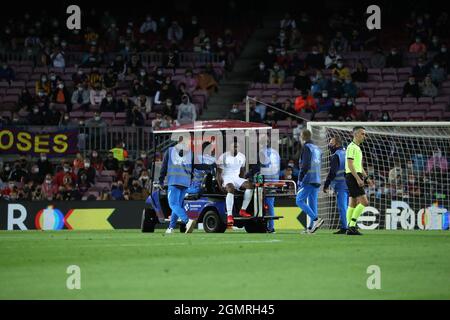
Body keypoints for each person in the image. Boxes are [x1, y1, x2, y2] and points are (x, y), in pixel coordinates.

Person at [158, 137, 197, 234]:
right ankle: (171, 228)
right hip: (185, 183)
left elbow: (163, 167)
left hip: (174, 181)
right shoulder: (191, 153)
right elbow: (192, 169)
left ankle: (187, 221)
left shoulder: (170, 151)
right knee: (177, 205)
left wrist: (161, 180)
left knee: (173, 204)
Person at [216, 140, 254, 227]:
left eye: (237, 147)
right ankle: (229, 215)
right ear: (230, 147)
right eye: (234, 146)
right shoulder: (223, 157)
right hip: (226, 178)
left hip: (236, 178)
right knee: (231, 188)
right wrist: (219, 185)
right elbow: (218, 173)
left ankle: (243, 210)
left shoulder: (242, 156)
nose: (235, 148)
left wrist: (242, 183)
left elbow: (242, 171)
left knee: (250, 186)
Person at [345, 126, 374, 235]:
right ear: (355, 134)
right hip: (352, 176)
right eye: (362, 134)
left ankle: (349, 227)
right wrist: (357, 178)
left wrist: (367, 178)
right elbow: (350, 164)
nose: (364, 136)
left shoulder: (357, 148)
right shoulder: (351, 147)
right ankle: (352, 226)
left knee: (352, 202)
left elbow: (359, 166)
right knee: (365, 202)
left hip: (354, 175)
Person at [296, 129, 324, 234]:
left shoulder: (306, 148)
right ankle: (311, 228)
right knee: (313, 204)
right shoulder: (317, 149)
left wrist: (300, 178)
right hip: (317, 178)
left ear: (302, 136)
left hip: (308, 178)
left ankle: (316, 219)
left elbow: (305, 165)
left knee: (299, 200)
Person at [323, 136, 349, 234]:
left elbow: (332, 172)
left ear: (336, 144)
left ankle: (345, 227)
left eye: (331, 142)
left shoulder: (336, 155)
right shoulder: (347, 152)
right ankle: (349, 226)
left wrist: (326, 184)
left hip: (341, 184)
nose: (329, 145)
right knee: (348, 206)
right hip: (349, 183)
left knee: (342, 206)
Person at [260, 137, 281, 233]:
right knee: (270, 204)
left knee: (262, 204)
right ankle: (270, 226)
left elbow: (260, 167)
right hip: (274, 181)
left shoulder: (262, 153)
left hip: (265, 181)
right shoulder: (275, 153)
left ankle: (267, 226)